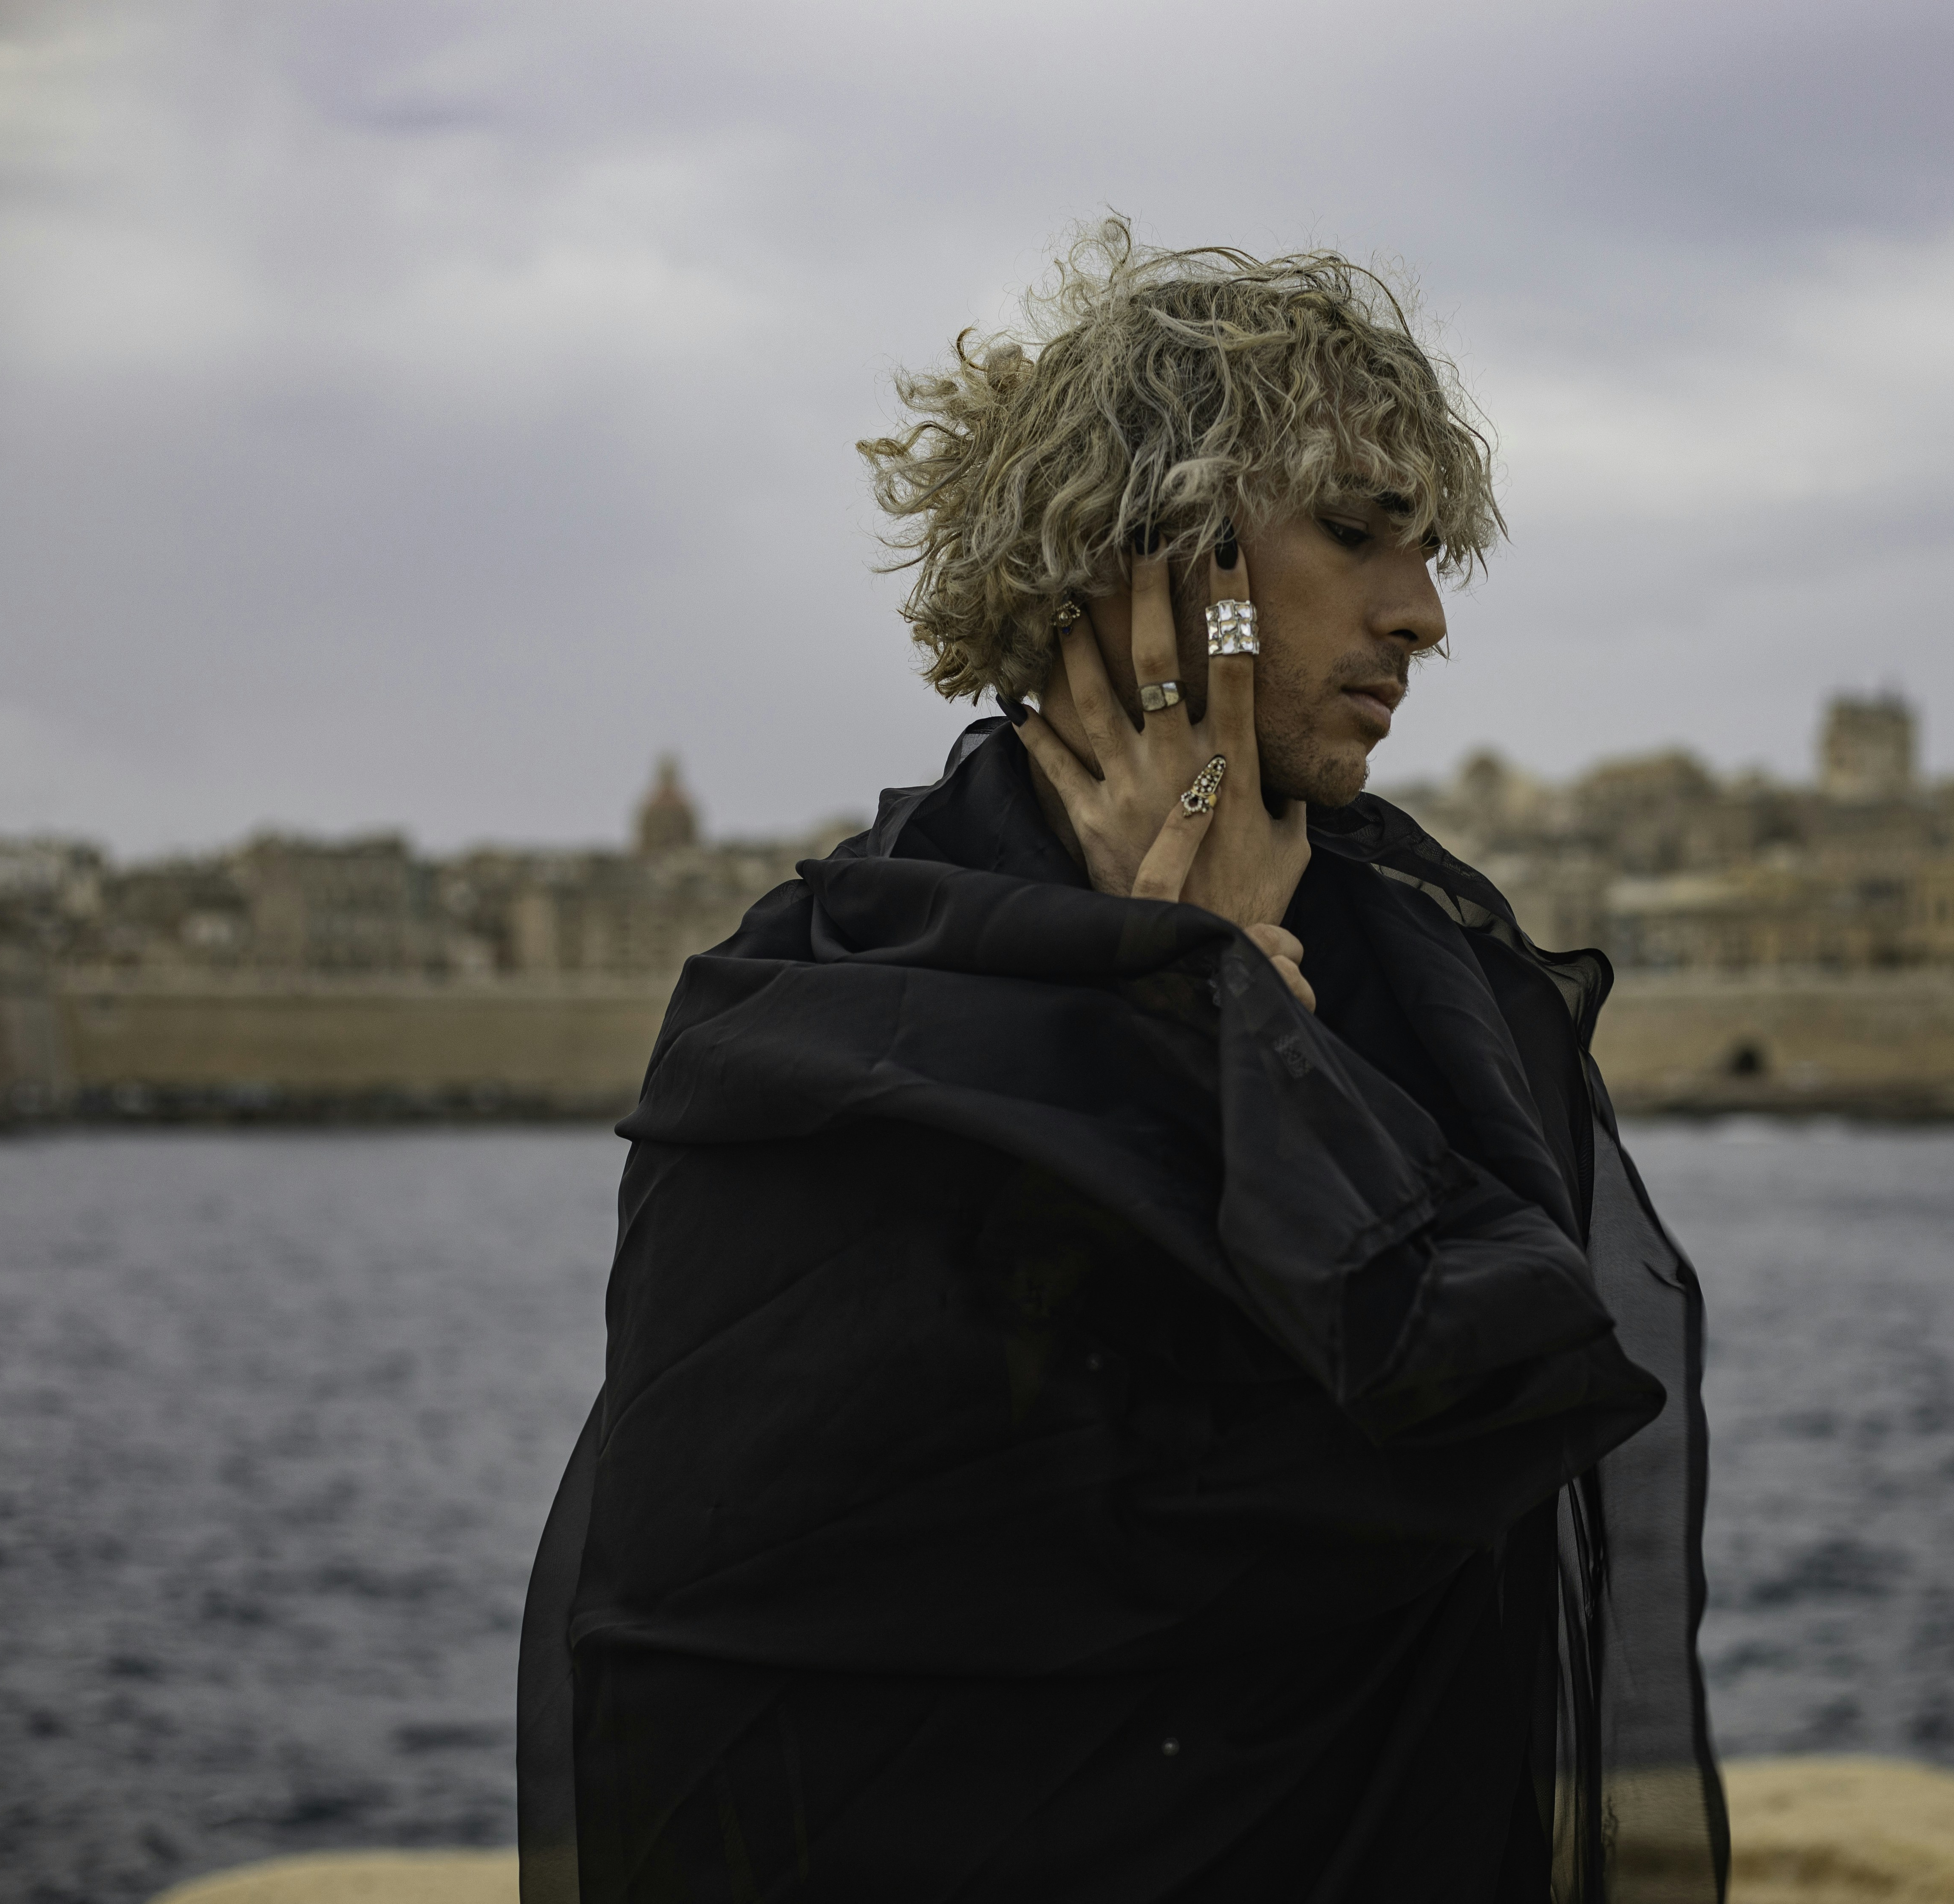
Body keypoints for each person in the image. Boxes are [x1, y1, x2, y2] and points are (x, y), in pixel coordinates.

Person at [519, 221, 1727, 1903]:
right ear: (1163, 553)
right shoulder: (818, 1003)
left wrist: (1254, 1019)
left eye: (1433, 545)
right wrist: (1200, 1009)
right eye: (1363, 533)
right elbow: (738, 1620)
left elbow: (1520, 1388)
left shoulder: (1423, 962)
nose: (1425, 611)